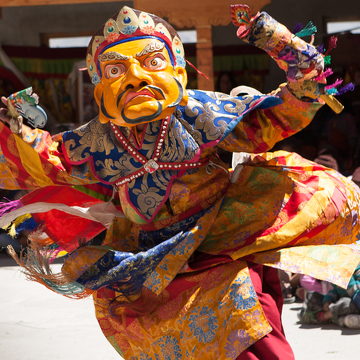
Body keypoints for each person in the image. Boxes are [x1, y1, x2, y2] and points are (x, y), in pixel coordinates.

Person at [0, 4, 359, 360]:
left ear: (177, 72)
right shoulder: (96, 141)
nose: (136, 78)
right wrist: (14, 131)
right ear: (100, 91)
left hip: (218, 242)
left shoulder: (199, 114)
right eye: (115, 70)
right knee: (150, 332)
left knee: (245, 322)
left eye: (152, 62)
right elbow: (46, 159)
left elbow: (285, 107)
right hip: (148, 258)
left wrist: (272, 37)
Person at [298, 263, 360, 328]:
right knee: (312, 296)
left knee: (345, 302)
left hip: (353, 302)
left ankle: (325, 316)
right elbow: (333, 290)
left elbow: (356, 294)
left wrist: (347, 279)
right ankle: (337, 318)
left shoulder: (357, 270)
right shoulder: (336, 271)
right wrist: (328, 300)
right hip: (337, 302)